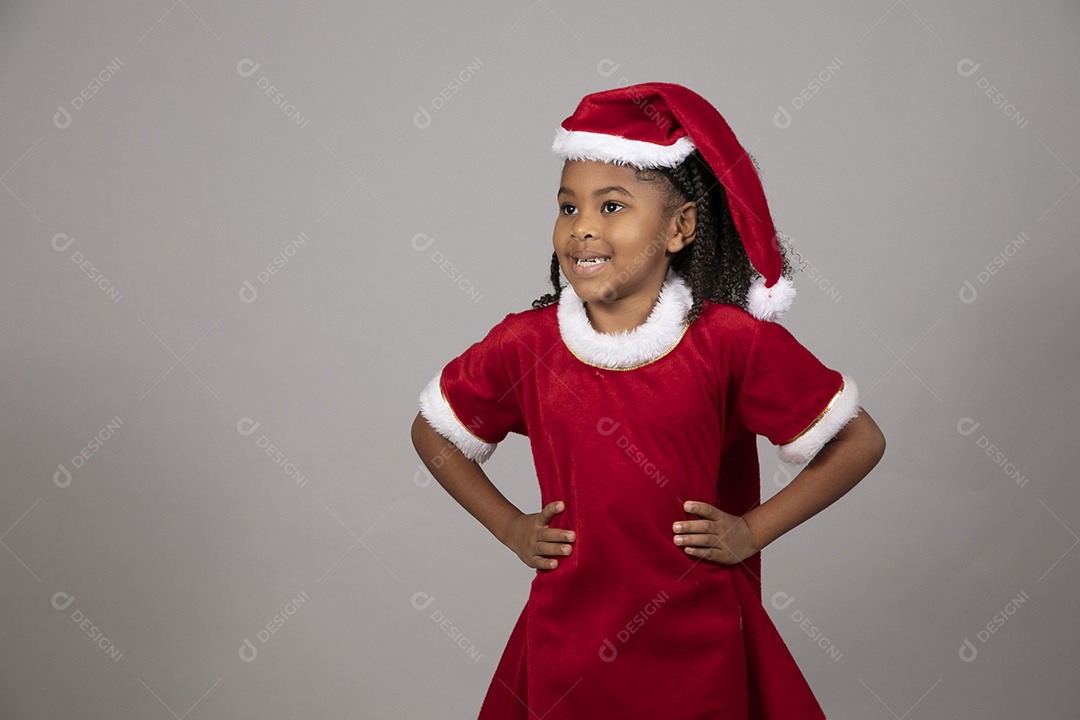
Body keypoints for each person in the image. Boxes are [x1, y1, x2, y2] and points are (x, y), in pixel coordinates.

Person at [410, 81, 885, 719]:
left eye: (612, 207)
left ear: (680, 227)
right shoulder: (527, 345)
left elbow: (859, 441)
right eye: (567, 207)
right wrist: (509, 526)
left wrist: (752, 531)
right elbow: (433, 431)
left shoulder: (730, 343)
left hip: (699, 637)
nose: (582, 230)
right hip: (567, 640)